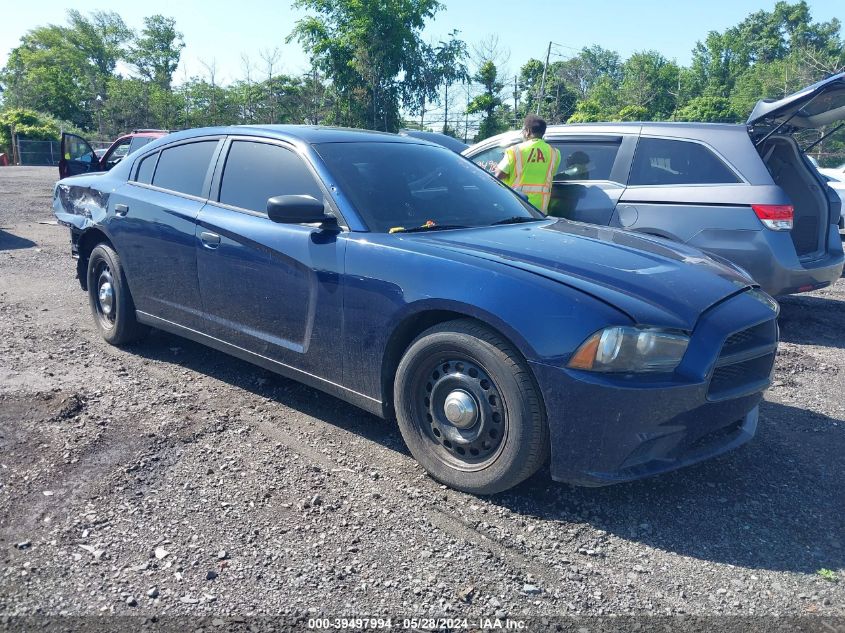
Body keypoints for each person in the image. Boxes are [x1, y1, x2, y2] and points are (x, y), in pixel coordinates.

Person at [494, 114, 561, 212]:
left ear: (528, 131)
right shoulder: (555, 153)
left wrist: (497, 168)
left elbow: (498, 175)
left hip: (516, 206)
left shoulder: (515, 150)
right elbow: (550, 175)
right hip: (540, 210)